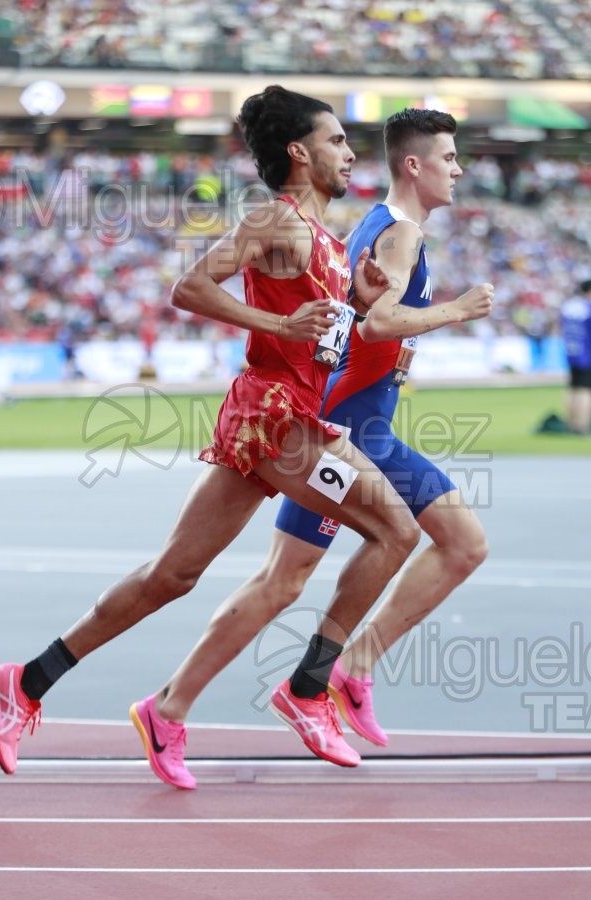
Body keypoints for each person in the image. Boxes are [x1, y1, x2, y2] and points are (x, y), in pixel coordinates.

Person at [0, 86, 420, 786]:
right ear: (299, 152)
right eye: (338, 140)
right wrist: (281, 327)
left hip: (271, 417)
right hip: (277, 421)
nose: (349, 153)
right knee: (396, 532)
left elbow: (321, 330)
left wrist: (360, 299)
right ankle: (310, 689)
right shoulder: (274, 221)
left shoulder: (331, 245)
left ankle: (27, 683)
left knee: (172, 575)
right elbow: (190, 287)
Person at [126, 108, 494, 787]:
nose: (459, 169)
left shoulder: (374, 229)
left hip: (343, 420)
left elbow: (351, 317)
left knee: (282, 582)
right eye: (448, 157)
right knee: (454, 543)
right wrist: (456, 310)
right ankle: (326, 679)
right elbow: (378, 324)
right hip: (352, 428)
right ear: (414, 164)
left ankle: (175, 704)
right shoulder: (399, 231)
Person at [560, 278, 591, 435]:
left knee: (573, 388)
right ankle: (582, 426)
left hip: (573, 353)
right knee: (585, 391)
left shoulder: (569, 306)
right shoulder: (588, 307)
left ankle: (571, 423)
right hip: (587, 355)